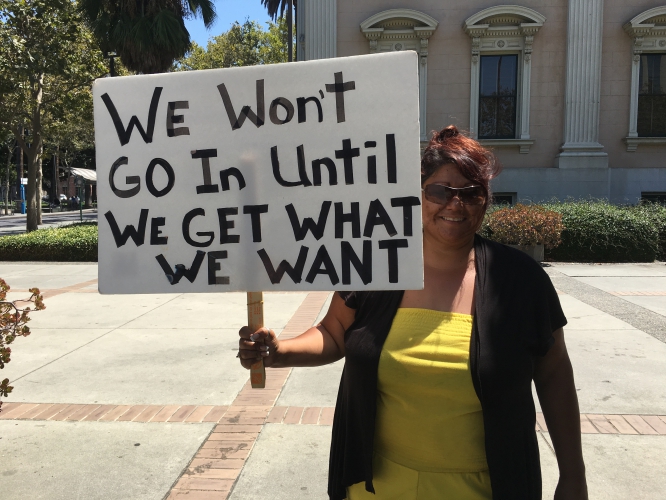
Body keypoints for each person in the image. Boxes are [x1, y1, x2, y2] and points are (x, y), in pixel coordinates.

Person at [238, 125, 588, 500]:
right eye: (440, 191)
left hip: (486, 488)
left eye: (471, 193)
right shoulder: (376, 267)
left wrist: (573, 475)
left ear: (485, 201)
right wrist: (278, 352)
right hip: (376, 488)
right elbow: (334, 331)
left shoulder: (520, 280)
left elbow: (553, 374)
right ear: (418, 196)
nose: (456, 204)